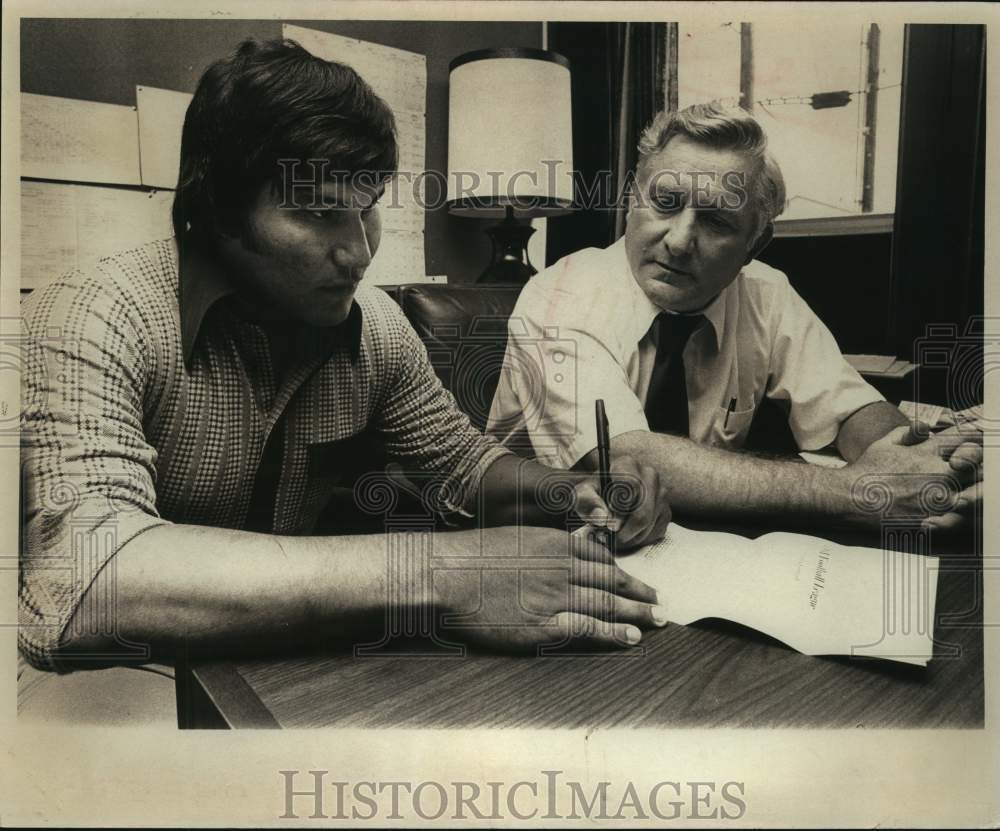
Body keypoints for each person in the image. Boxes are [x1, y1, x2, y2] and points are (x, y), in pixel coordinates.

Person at [18, 38, 674, 706]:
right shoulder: (96, 311)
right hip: (100, 686)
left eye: (368, 207)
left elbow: (464, 469)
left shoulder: (378, 327)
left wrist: (568, 492)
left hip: (271, 671)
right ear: (219, 209)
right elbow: (87, 581)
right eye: (319, 213)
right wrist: (448, 572)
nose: (358, 251)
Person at [488, 102, 981, 530]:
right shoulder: (559, 296)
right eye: (665, 203)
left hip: (706, 543)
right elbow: (629, 459)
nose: (679, 241)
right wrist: (856, 492)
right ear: (629, 201)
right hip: (550, 544)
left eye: (718, 221)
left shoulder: (766, 292)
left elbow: (848, 407)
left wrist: (922, 464)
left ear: (754, 244)